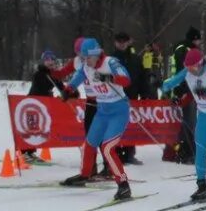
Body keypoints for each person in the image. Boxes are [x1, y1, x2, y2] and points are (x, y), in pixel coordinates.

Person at [59, 38, 134, 201]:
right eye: (84, 59)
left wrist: (109, 78)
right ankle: (85, 175)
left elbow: (126, 80)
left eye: (88, 58)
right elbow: (78, 77)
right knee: (89, 145)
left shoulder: (111, 62)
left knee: (107, 148)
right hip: (102, 112)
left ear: (96, 54)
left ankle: (123, 186)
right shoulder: (87, 66)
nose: (86, 62)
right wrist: (68, 90)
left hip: (118, 111)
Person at [161, 48, 206, 203]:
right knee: (200, 149)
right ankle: (201, 187)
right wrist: (165, 87)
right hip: (204, 116)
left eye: (192, 67)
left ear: (199, 64)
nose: (190, 70)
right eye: (188, 67)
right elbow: (172, 81)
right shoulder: (187, 72)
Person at [168, 27, 204, 163]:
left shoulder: (184, 49)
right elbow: (181, 72)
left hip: (188, 90)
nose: (200, 42)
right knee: (189, 123)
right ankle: (189, 152)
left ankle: (185, 151)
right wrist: (180, 90)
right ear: (194, 39)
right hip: (186, 91)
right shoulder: (184, 50)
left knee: (188, 122)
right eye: (198, 39)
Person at [109, 32, 143, 166]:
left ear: (129, 42)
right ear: (115, 42)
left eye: (124, 41)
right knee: (116, 126)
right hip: (115, 97)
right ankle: (115, 152)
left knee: (131, 125)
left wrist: (145, 93)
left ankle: (129, 153)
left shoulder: (135, 58)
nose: (122, 43)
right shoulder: (110, 59)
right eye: (119, 41)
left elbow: (142, 77)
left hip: (132, 95)